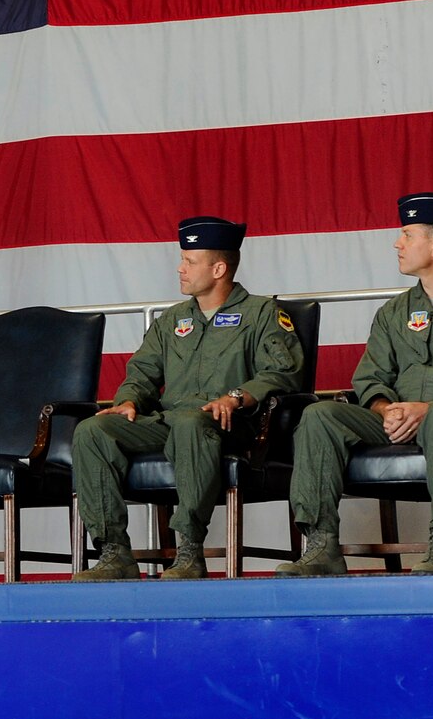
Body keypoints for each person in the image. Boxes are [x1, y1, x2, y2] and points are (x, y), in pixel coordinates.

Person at [279, 193, 433, 577]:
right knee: (319, 415)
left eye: (407, 234)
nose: (398, 243)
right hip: (394, 420)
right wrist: (385, 409)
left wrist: (428, 409)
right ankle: (322, 544)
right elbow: (370, 377)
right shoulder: (394, 312)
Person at [72, 217, 304, 581]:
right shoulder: (173, 320)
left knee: (190, 422)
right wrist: (130, 399)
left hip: (229, 423)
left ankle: (189, 550)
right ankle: (114, 552)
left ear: (219, 268)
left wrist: (236, 397)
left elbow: (282, 373)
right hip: (171, 421)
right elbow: (142, 372)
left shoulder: (261, 313)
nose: (180, 269)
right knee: (93, 430)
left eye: (189, 261)